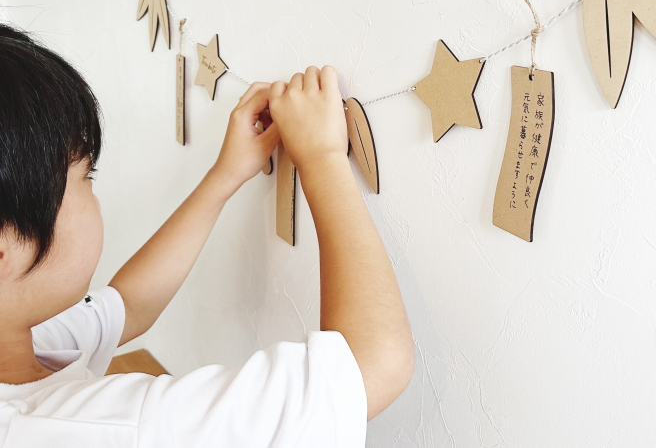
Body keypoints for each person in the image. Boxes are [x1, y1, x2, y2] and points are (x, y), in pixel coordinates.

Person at [0, 23, 413, 447]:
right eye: (85, 175)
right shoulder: (114, 426)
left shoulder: (19, 337)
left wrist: (225, 175)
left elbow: (130, 304)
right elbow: (372, 365)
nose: (94, 191)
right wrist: (322, 157)